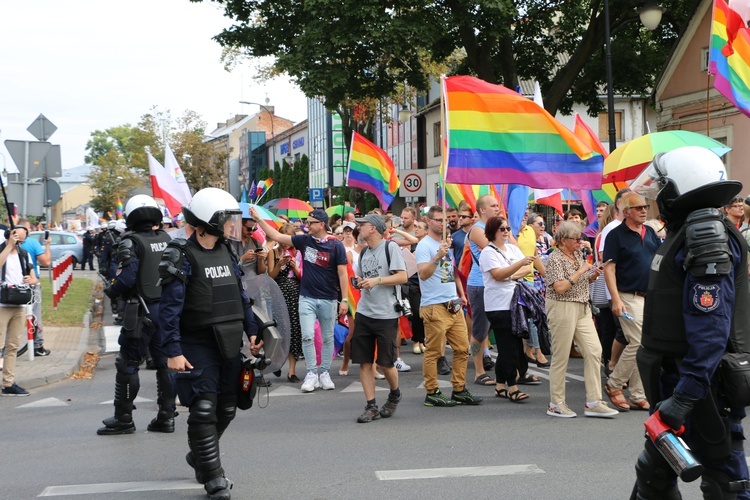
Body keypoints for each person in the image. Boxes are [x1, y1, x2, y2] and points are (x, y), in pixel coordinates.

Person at [630, 146, 750, 498]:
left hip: (700, 384)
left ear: (680, 190)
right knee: (653, 475)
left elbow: (711, 330)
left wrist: (685, 396)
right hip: (678, 376)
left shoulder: (706, 236)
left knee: (725, 480)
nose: (656, 198)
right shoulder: (688, 231)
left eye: (662, 189)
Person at [159, 188, 259, 500]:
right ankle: (213, 476)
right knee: (203, 408)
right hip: (195, 342)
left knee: (228, 407)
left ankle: (202, 455)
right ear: (204, 223)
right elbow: (169, 310)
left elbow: (240, 295)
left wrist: (252, 330)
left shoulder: (228, 252)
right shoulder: (180, 256)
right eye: (225, 219)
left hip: (228, 340)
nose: (232, 225)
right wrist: (173, 351)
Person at [98, 195, 174, 436]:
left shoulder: (130, 242)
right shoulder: (166, 238)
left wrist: (111, 290)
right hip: (167, 310)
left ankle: (124, 418)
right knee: (165, 364)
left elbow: (128, 277)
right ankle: (166, 417)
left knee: (128, 364)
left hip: (141, 310)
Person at [250, 207, 348, 393]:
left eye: (311, 222)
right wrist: (259, 219)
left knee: (327, 337)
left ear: (321, 224)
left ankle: (324, 372)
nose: (307, 225)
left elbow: (342, 274)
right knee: (307, 335)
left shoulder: (336, 245)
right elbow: (277, 237)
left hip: (329, 297)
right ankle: (312, 373)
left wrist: (344, 300)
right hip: (306, 298)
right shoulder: (304, 240)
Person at [544, 221, 618, 418]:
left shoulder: (577, 254)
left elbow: (581, 280)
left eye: (580, 238)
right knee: (560, 357)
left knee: (594, 351)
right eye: (576, 239)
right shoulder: (554, 258)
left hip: (582, 306)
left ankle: (594, 401)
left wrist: (592, 274)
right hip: (562, 307)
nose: (580, 242)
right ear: (562, 241)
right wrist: (582, 271)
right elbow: (559, 288)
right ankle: (556, 402)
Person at [415, 206, 482, 407]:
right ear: (428, 221)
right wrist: (436, 257)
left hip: (453, 303)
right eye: (436, 220)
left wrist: (461, 294)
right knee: (434, 352)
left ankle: (459, 389)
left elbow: (451, 272)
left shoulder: (446, 243)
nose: (441, 223)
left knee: (462, 348)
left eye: (443, 220)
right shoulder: (424, 246)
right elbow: (423, 274)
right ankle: (432, 391)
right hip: (434, 305)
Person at [603, 191, 660, 412]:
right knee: (637, 341)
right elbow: (609, 268)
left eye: (645, 207)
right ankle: (614, 384)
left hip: (648, 297)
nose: (644, 210)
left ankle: (637, 394)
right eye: (638, 208)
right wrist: (616, 299)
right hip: (627, 296)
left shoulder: (650, 232)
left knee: (644, 344)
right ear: (626, 212)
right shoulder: (615, 235)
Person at [350, 214, 408, 423]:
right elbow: (361, 276)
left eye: (361, 225)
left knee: (386, 363)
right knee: (365, 362)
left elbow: (402, 276)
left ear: (373, 228)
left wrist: (378, 280)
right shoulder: (364, 251)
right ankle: (371, 405)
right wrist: (359, 281)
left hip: (386, 313)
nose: (358, 229)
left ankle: (394, 393)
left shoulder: (389, 247)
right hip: (365, 311)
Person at [478, 216, 535, 403]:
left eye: (507, 228)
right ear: (492, 231)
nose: (505, 231)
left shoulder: (511, 248)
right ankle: (513, 387)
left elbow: (527, 270)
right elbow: (498, 274)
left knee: (510, 345)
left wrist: (510, 274)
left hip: (515, 303)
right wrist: (517, 266)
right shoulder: (488, 252)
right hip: (498, 305)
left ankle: (500, 385)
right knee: (508, 346)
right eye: (501, 228)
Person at [466, 195, 501, 384]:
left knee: (491, 330)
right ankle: (478, 371)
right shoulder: (477, 230)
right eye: (493, 206)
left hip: (495, 284)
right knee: (479, 331)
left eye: (498, 205)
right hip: (480, 284)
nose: (497, 208)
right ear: (482, 210)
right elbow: (496, 250)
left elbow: (511, 248)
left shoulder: (495, 229)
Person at [0, 226, 37, 396]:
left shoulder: (23, 255)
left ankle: (8, 383)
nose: (19, 243)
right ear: (10, 235)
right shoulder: (3, 250)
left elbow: (34, 277)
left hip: (19, 304)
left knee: (13, 346)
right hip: (2, 304)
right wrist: (8, 246)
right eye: (17, 239)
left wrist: (31, 280)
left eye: (22, 240)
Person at [267, 223, 302, 382]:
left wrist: (295, 268)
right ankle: (278, 361)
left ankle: (292, 371)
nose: (285, 245)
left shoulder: (298, 253)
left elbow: (302, 277)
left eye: (288, 242)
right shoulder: (273, 253)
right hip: (278, 293)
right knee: (279, 330)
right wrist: (279, 265)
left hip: (293, 294)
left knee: (294, 331)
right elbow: (270, 276)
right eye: (283, 241)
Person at [18, 218, 51, 356]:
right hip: (31, 283)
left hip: (12, 286)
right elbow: (46, 262)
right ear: (26, 229)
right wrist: (47, 245)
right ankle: (38, 346)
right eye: (29, 229)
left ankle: (6, 347)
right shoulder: (32, 243)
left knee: (12, 317)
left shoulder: (7, 244)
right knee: (35, 315)